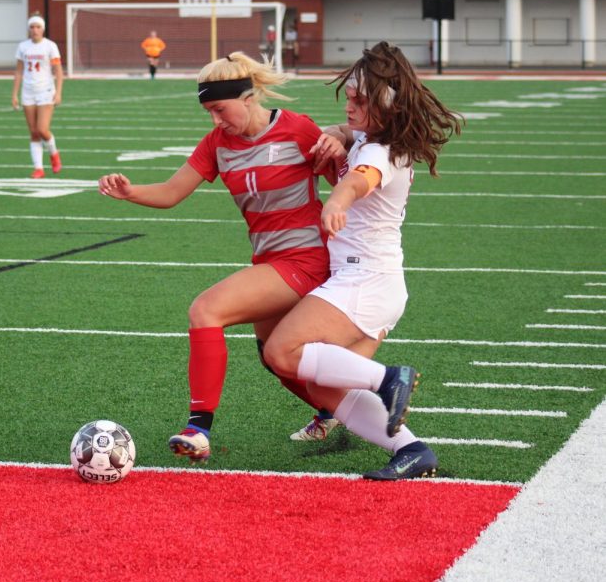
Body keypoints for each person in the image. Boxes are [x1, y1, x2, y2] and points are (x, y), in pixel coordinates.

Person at [100, 52, 342, 462]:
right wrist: (130, 192)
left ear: (248, 98)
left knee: (206, 310)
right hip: (269, 262)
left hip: (306, 259)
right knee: (275, 358)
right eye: (208, 111)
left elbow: (343, 178)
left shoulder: (298, 130)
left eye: (219, 109)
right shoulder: (217, 143)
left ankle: (198, 428)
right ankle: (340, 409)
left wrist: (343, 142)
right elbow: (173, 192)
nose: (214, 120)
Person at [263, 41, 463, 480]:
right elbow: (353, 139)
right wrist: (338, 132)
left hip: (363, 281)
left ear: (387, 102)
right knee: (324, 386)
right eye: (349, 97)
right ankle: (412, 450)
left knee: (280, 350)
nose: (350, 106)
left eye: (360, 100)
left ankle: (389, 377)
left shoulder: (378, 152)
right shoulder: (378, 138)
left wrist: (337, 199)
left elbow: (360, 180)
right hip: (379, 283)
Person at [12, 15, 63, 179]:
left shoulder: (50, 46)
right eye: (32, 27)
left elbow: (58, 71)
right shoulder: (23, 46)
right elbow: (19, 71)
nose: (35, 30)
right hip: (28, 91)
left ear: (43, 29)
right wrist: (14, 94)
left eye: (38, 27)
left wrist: (59, 92)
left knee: (42, 129)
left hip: (45, 90)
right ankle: (38, 168)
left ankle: (54, 153)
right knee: (33, 132)